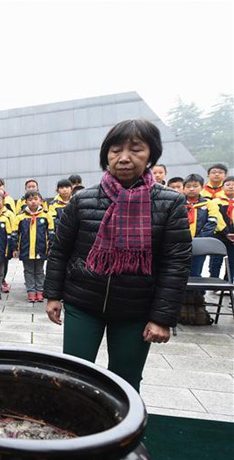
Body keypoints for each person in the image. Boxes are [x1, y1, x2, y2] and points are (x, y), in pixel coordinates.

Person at [44, 119, 191, 392]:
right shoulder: (82, 200)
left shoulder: (170, 202)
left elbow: (176, 263)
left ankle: (122, 434)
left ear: (151, 155)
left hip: (136, 310)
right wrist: (53, 295)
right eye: (115, 150)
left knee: (125, 383)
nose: (124, 158)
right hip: (82, 304)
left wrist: (162, 318)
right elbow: (60, 250)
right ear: (105, 155)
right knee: (72, 377)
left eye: (136, 150)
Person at [10, 190, 54, 303]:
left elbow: (51, 233)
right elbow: (15, 233)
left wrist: (50, 248)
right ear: (25, 202)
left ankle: (40, 291)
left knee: (39, 271)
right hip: (26, 249)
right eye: (30, 200)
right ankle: (31, 291)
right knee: (28, 271)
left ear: (40, 201)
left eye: (35, 199)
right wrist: (14, 248)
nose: (33, 202)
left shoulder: (46, 215)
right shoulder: (20, 217)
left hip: (41, 249)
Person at [0, 177, 15, 293]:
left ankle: (2, 279)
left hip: (4, 236)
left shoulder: (9, 202)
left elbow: (13, 220)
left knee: (4, 260)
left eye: (0, 185)